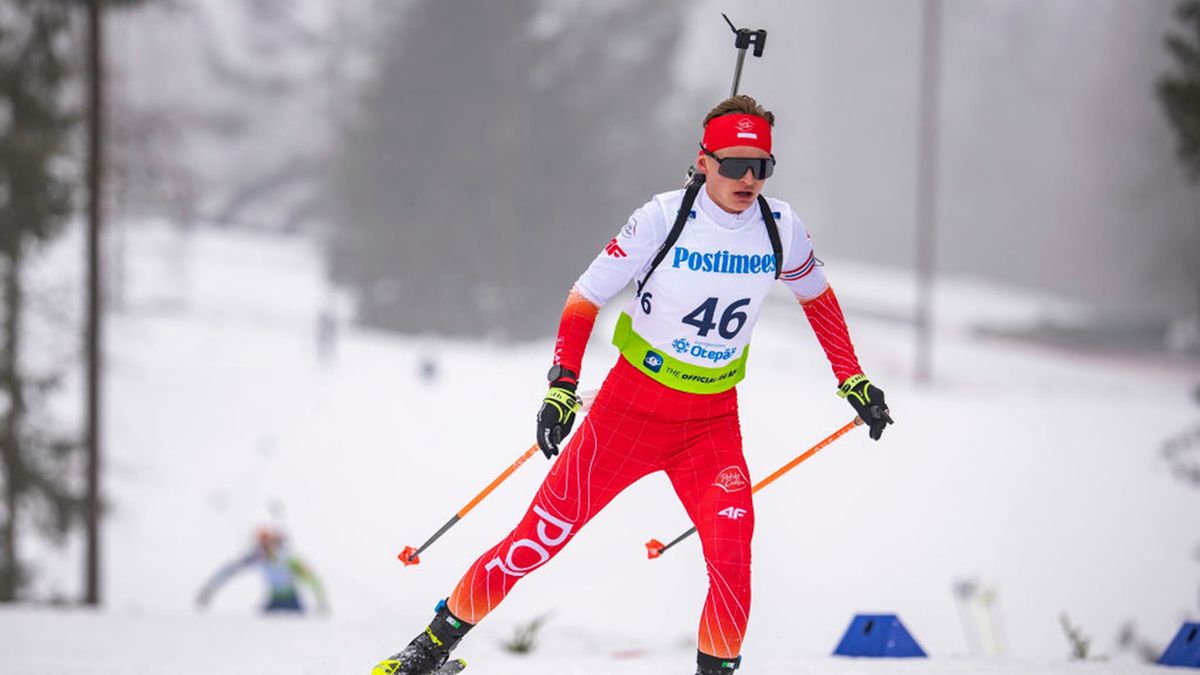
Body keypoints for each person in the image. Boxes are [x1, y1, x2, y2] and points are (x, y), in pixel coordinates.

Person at [372, 94, 893, 675]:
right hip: (627, 414)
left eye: (761, 167)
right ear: (703, 161)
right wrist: (561, 385)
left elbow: (818, 300)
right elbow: (585, 296)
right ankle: (428, 650)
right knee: (537, 541)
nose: (748, 178)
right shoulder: (661, 218)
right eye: (733, 164)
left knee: (732, 557)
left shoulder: (781, 228)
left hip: (710, 425)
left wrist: (854, 380)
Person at [196, 525, 328, 615]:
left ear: (273, 542)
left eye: (267, 542)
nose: (264, 546)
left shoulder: (288, 558)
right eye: (260, 543)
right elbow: (229, 571)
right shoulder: (257, 556)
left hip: (292, 601)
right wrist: (209, 590)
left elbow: (311, 578)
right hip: (273, 600)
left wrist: (321, 601)